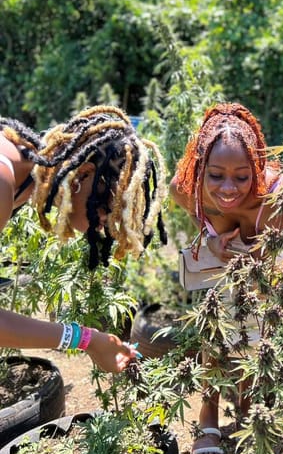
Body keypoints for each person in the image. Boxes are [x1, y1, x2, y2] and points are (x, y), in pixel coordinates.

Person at [0, 105, 168, 373]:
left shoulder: (18, 174)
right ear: (84, 174)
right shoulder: (2, 180)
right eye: (109, 206)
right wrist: (87, 340)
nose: (108, 223)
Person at [171, 102, 283, 454]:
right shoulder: (186, 187)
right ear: (200, 169)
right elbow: (196, 215)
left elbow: (277, 251)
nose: (228, 188)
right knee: (214, 330)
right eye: (216, 176)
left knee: (256, 338)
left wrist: (252, 260)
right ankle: (207, 415)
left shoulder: (276, 195)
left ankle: (249, 406)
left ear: (256, 168)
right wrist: (208, 238)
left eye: (242, 177)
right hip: (220, 273)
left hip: (262, 275)